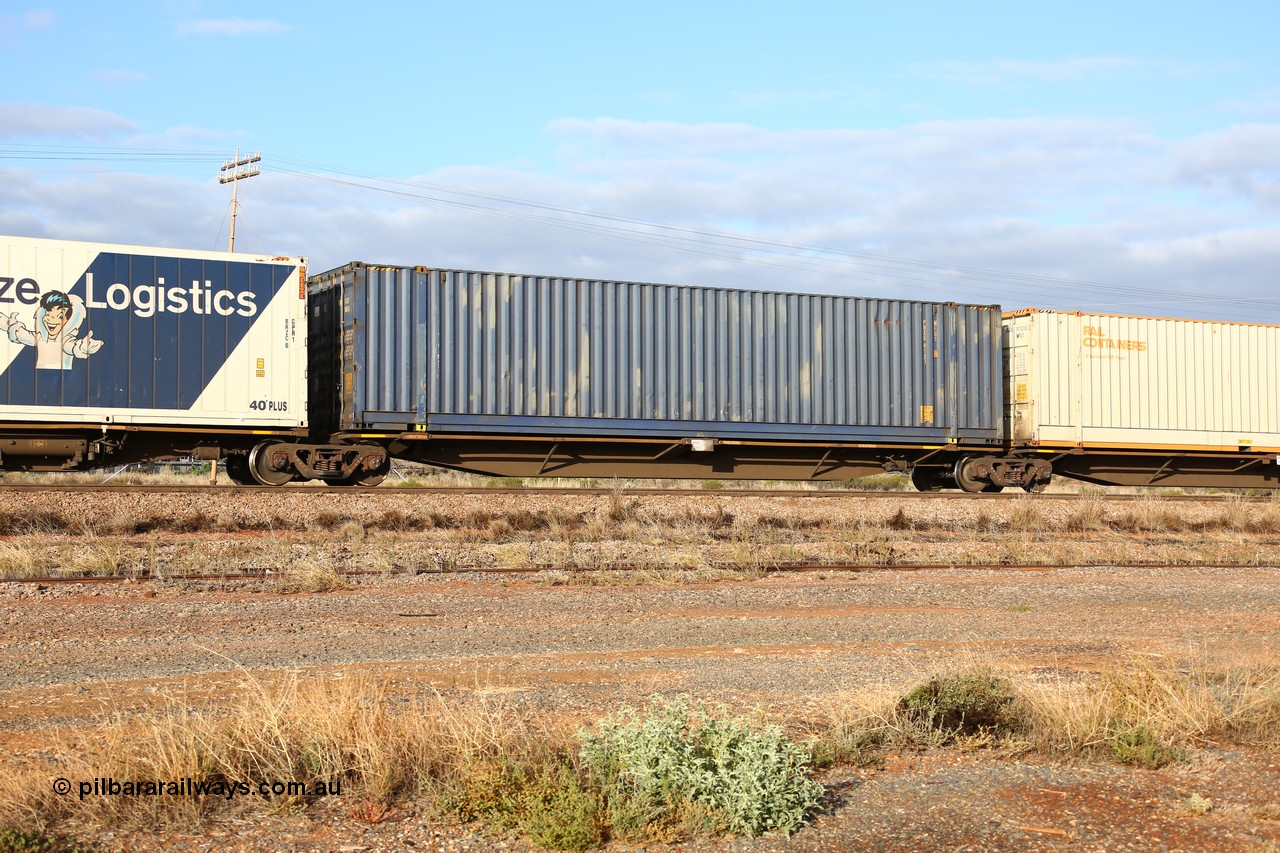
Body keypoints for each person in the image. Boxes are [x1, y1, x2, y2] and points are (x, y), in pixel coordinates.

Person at [4, 290, 104, 370]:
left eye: (60, 316)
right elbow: (21, 334)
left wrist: (83, 347)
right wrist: (10, 325)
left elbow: (72, 346)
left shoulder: (65, 341)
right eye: (48, 314)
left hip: (62, 382)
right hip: (39, 380)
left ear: (69, 320)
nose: (51, 319)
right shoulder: (40, 337)